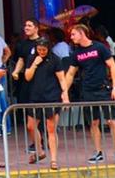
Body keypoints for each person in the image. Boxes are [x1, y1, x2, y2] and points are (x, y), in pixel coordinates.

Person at [67, 24, 115, 164]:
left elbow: (112, 66)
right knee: (93, 122)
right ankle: (98, 152)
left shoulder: (99, 47)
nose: (72, 37)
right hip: (87, 91)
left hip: (103, 89)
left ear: (81, 33)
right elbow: (70, 73)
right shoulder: (76, 53)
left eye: (74, 34)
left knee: (111, 121)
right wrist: (64, 92)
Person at [23, 38, 69, 170]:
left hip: (52, 97)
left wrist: (65, 94)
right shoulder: (32, 58)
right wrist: (35, 64)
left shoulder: (55, 59)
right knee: (31, 126)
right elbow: (27, 77)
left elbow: (62, 78)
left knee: (51, 129)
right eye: (39, 50)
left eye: (44, 50)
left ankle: (54, 159)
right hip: (35, 97)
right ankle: (40, 151)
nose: (41, 52)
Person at [8, 20, 46, 161]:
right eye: (25, 26)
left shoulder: (43, 43)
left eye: (29, 26)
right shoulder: (22, 45)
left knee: (40, 112)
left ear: (36, 28)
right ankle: (36, 142)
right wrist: (16, 71)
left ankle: (42, 141)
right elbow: (21, 60)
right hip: (27, 80)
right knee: (28, 111)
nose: (26, 28)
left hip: (41, 81)